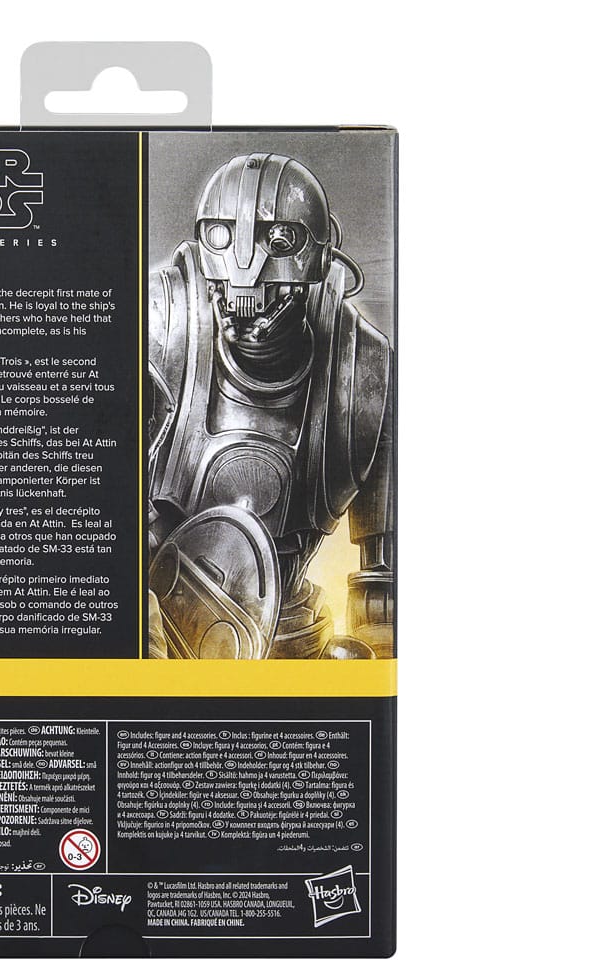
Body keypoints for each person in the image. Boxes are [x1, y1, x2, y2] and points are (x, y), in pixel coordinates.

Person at [147, 153, 393, 660]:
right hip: (158, 636)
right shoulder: (161, 329)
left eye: (278, 242)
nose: (246, 273)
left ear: (318, 258)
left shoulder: (363, 366)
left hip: (294, 643)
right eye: (222, 237)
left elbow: (381, 587)